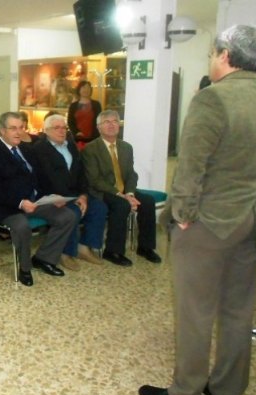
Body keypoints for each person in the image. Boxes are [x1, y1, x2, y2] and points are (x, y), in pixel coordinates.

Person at [139, 25, 256, 395]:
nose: (211, 60)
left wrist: (182, 215)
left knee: (195, 310)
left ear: (225, 55)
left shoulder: (213, 99)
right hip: (253, 219)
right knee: (238, 310)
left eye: (212, 53)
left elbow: (191, 167)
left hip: (210, 222)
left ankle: (186, 391)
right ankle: (228, 388)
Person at [0, 112, 76, 286]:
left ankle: (44, 258)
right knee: (22, 226)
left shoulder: (27, 150)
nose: (18, 132)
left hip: (35, 202)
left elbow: (41, 178)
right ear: (2, 131)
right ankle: (25, 268)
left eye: (21, 128)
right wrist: (21, 203)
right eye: (13, 128)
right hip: (7, 206)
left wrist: (53, 197)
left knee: (67, 216)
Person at [81, 110, 161, 267]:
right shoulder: (91, 149)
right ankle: (113, 251)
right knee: (121, 204)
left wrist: (130, 193)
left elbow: (131, 174)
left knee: (148, 201)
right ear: (99, 127)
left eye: (115, 121)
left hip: (124, 190)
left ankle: (145, 247)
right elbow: (95, 180)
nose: (111, 125)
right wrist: (120, 195)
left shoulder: (126, 147)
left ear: (119, 125)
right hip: (103, 191)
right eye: (106, 122)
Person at [33, 114, 106, 270]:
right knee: (73, 212)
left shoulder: (70, 145)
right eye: (56, 128)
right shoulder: (39, 149)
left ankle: (84, 247)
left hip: (75, 193)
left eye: (64, 127)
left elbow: (80, 173)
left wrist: (83, 195)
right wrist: (68, 198)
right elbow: (46, 177)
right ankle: (65, 253)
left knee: (99, 207)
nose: (61, 131)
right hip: (54, 196)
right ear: (46, 131)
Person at [67, 81, 102, 150]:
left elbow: (100, 120)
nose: (86, 90)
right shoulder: (73, 106)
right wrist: (76, 132)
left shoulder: (96, 104)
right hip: (78, 139)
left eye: (88, 88)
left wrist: (96, 134)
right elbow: (70, 121)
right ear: (79, 90)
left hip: (94, 139)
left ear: (91, 90)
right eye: (83, 87)